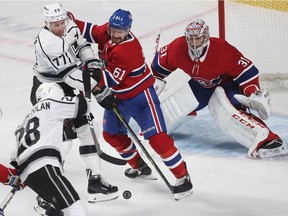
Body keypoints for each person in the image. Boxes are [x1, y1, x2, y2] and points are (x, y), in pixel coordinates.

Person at [68, 9, 193, 200]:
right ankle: (140, 167)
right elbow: (87, 29)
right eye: (113, 29)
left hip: (141, 98)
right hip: (119, 98)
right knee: (111, 135)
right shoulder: (107, 32)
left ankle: (183, 177)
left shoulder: (128, 50)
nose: (115, 34)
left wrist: (82, 68)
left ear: (128, 30)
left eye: (120, 31)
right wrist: (70, 20)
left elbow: (108, 79)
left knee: (158, 139)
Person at [151, 18, 288, 159]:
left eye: (197, 38)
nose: (193, 43)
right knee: (178, 103)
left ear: (205, 37)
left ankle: (269, 140)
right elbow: (159, 69)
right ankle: (153, 128)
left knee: (230, 113)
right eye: (190, 38)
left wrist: (252, 92)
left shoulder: (221, 50)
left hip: (227, 84)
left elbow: (248, 71)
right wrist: (151, 84)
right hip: (201, 86)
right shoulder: (178, 47)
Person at [30, 2, 118, 204]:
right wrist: (99, 90)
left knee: (88, 128)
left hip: (67, 84)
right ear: (47, 24)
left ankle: (95, 183)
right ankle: (48, 191)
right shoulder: (47, 43)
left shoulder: (69, 24)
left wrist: (91, 62)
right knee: (61, 136)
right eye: (55, 25)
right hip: (48, 88)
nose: (60, 27)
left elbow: (82, 44)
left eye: (61, 22)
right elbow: (69, 75)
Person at [11, 82, 91, 216]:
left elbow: (14, 159)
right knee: (75, 207)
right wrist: (85, 91)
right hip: (44, 165)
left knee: (56, 209)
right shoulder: (51, 103)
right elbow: (84, 107)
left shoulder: (23, 122)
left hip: (27, 174)